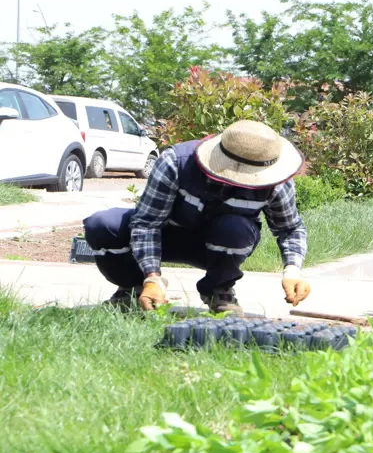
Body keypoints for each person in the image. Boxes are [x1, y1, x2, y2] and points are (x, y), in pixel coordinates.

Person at [83, 120, 311, 315]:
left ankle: (218, 290)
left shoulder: (276, 183)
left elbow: (289, 229)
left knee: (235, 228)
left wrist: (293, 270)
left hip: (219, 245)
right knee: (102, 225)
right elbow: (146, 223)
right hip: (166, 236)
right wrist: (152, 277)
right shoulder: (176, 162)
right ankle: (132, 289)